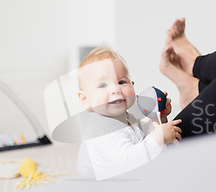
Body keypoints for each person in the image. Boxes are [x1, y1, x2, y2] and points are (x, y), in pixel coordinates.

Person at [76, 46, 181, 180]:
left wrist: (159, 117)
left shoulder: (124, 117)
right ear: (85, 99)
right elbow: (129, 161)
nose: (115, 89)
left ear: (132, 85)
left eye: (121, 82)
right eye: (102, 85)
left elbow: (141, 134)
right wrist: (159, 137)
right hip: (101, 191)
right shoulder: (102, 131)